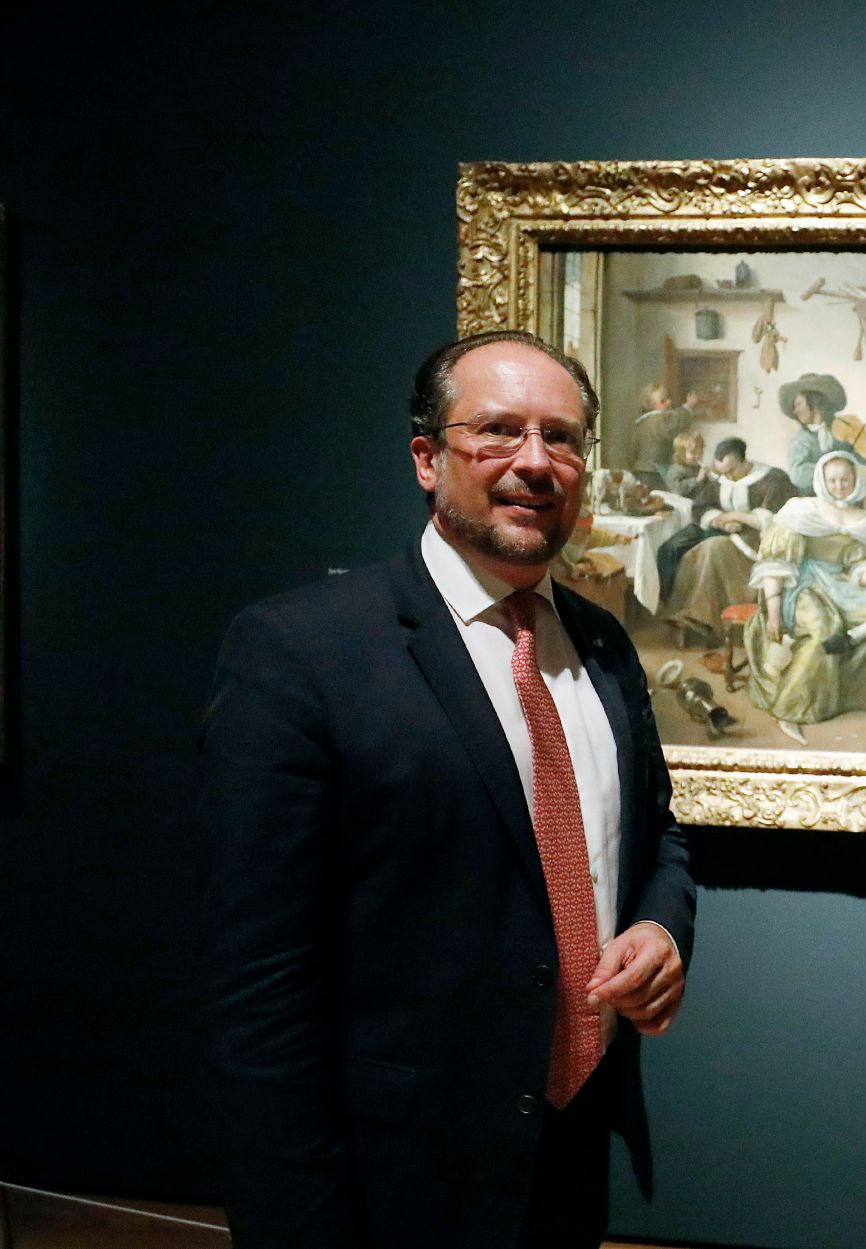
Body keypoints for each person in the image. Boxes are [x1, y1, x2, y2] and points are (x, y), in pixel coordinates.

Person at [201, 330, 697, 1249]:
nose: (537, 463)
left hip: (569, 1153)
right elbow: (259, 989)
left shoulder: (605, 644)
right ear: (427, 457)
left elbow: (659, 832)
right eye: (499, 431)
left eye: (563, 438)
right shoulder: (303, 653)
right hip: (392, 1185)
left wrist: (662, 925)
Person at [744, 450, 866, 743]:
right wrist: (774, 611)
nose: (839, 486)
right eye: (832, 480)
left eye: (845, 479)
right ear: (822, 480)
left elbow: (860, 569)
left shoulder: (864, 521)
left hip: (841, 585)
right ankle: (790, 707)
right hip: (799, 584)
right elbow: (776, 565)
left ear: (855, 480)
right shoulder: (800, 510)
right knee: (824, 628)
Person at [656, 437, 795, 640]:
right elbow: (701, 506)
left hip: (758, 545)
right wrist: (720, 521)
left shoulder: (772, 479)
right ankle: (689, 614)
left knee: (712, 549)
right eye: (724, 472)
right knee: (689, 553)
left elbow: (776, 518)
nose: (728, 476)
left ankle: (701, 615)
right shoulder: (722, 480)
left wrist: (736, 517)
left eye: (732, 470)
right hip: (728, 535)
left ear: (743, 461)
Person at [780, 371, 866, 492]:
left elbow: (862, 459)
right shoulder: (801, 441)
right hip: (815, 499)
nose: (795, 410)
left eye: (799, 404)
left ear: (814, 401)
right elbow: (798, 476)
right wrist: (831, 468)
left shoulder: (843, 430)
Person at [629, 381, 696, 489]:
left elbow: (632, 451)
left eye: (668, 398)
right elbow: (677, 420)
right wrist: (688, 407)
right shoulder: (660, 419)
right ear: (652, 405)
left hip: (639, 471)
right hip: (655, 472)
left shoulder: (640, 423)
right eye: (663, 401)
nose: (669, 402)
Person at [663, 429, 708, 496]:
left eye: (700, 451)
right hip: (679, 503)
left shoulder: (696, 467)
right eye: (692, 452)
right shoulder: (676, 470)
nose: (698, 455)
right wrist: (697, 480)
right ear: (681, 454)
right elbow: (677, 490)